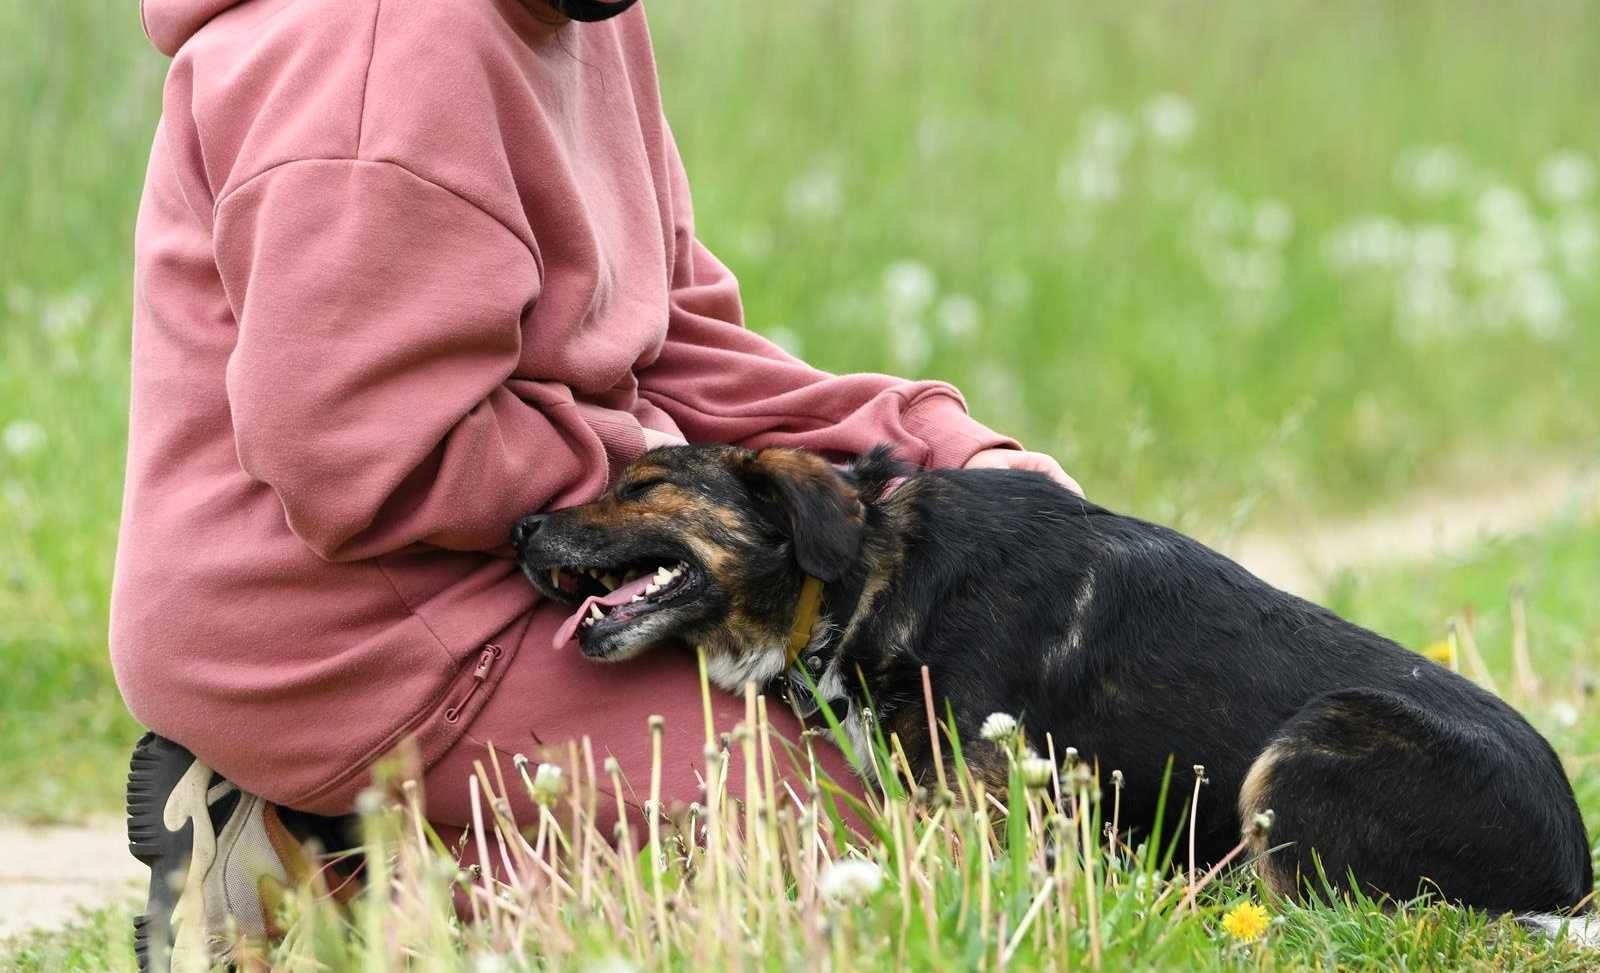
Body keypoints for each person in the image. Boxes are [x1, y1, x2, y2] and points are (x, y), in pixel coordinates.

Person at [113, 0, 1080, 965]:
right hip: (343, 627)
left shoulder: (581, 13)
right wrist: (649, 465)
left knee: (1004, 772)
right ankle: (318, 859)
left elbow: (673, 337)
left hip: (508, 547)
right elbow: (351, 455)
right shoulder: (370, 58)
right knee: (892, 849)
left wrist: (935, 444)